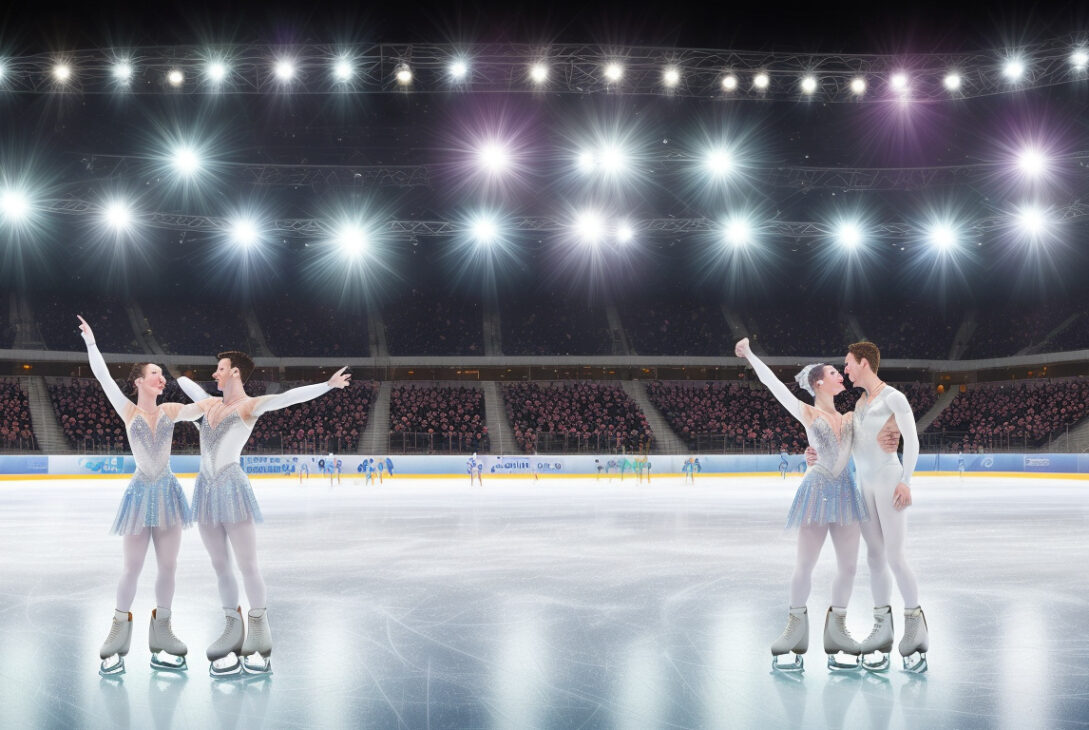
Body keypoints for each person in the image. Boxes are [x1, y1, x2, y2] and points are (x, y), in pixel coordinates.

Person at [176, 353, 350, 676]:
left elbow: (287, 398)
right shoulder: (208, 404)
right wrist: (170, 375)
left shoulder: (250, 406)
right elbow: (187, 385)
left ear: (235, 372)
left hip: (232, 489)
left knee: (248, 565)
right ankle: (232, 629)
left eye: (220, 369)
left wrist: (327, 385)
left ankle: (259, 634)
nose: (215, 373)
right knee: (220, 566)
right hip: (205, 491)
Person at [78, 315, 202, 676]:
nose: (161, 378)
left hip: (168, 494)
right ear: (138, 381)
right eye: (155, 373)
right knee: (131, 567)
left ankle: (163, 629)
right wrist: (91, 343)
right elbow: (103, 376)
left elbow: (201, 407)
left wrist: (211, 399)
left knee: (169, 566)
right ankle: (118, 630)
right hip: (138, 495)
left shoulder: (170, 410)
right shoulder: (127, 410)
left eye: (163, 374)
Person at [735, 337, 868, 672]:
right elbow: (774, 385)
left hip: (847, 492)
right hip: (817, 490)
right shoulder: (807, 412)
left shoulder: (851, 417)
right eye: (834, 372)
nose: (840, 375)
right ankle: (795, 629)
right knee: (805, 565)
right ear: (819, 382)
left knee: (849, 567)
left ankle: (837, 630)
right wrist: (750, 354)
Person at [839, 341, 928, 673]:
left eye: (848, 363)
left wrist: (906, 480)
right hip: (863, 485)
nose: (845, 369)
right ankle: (882, 630)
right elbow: (853, 444)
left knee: (895, 556)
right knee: (874, 557)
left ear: (864, 362)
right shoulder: (859, 404)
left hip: (889, 480)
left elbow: (912, 439)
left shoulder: (893, 398)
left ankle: (916, 629)